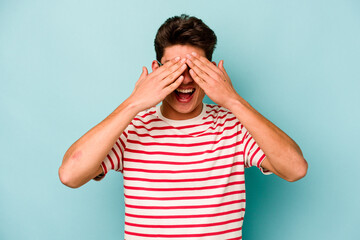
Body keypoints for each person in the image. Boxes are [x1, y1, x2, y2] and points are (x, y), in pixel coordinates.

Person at [59, 14, 308, 239]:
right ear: (156, 70)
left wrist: (233, 100)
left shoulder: (235, 126)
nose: (185, 79)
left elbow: (295, 168)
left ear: (211, 70)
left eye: (195, 68)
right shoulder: (130, 127)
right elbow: (70, 175)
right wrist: (134, 103)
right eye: (174, 68)